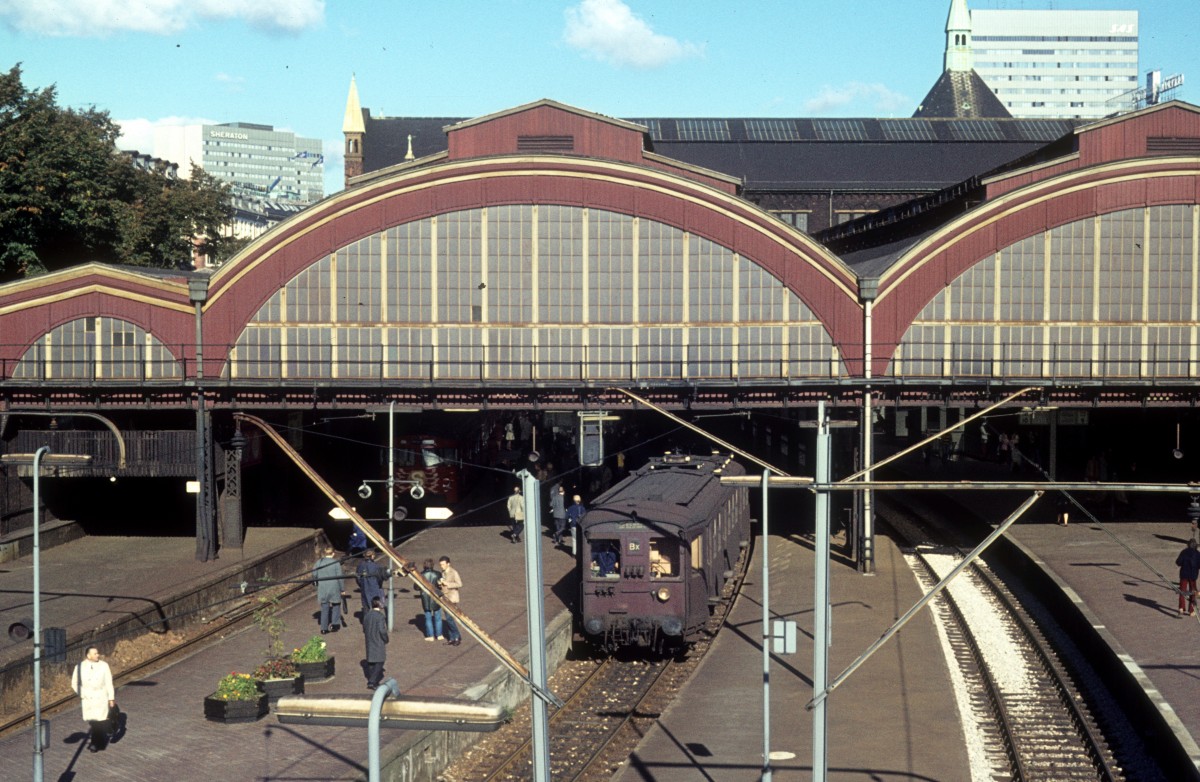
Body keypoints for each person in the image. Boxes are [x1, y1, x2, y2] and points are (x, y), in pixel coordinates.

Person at [72, 645, 115, 752]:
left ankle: (95, 743)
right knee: (93, 721)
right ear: (88, 655)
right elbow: (74, 683)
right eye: (95, 653)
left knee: (98, 721)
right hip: (88, 698)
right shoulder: (79, 667)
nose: (98, 655)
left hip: (101, 697)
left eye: (97, 653)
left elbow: (109, 682)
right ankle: (99, 741)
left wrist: (111, 698)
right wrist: (82, 694)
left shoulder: (104, 665)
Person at [313, 545, 344, 633]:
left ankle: (323, 628)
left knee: (324, 608)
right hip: (334, 588)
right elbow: (340, 577)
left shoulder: (319, 562)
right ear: (333, 553)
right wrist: (342, 589)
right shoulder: (336, 563)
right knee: (336, 606)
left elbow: (314, 574)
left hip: (323, 588)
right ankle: (334, 625)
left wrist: (317, 582)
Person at [363, 596, 389, 688]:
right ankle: (372, 681)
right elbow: (382, 630)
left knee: (371, 662)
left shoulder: (367, 615)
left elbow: (364, 628)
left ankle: (372, 679)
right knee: (380, 661)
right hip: (378, 640)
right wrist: (386, 639)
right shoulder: (380, 616)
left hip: (369, 640)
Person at [355, 549, 388, 619]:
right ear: (372, 556)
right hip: (374, 588)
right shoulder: (376, 566)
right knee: (375, 605)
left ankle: (366, 621)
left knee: (366, 605)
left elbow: (357, 577)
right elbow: (380, 578)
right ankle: (375, 620)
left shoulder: (360, 565)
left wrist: (361, 585)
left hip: (364, 588)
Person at [438, 555, 463, 646]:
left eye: (443, 564)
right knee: (448, 618)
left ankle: (457, 637)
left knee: (449, 618)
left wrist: (447, 584)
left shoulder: (453, 572)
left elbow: (459, 584)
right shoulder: (443, 572)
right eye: (441, 565)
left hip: (452, 598)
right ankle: (451, 638)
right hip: (445, 597)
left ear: (448, 564)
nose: (442, 566)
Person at [419, 558, 444, 641]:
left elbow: (416, 587)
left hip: (425, 598)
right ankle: (439, 635)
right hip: (435, 597)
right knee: (438, 617)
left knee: (428, 618)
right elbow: (440, 585)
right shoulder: (438, 574)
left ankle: (430, 636)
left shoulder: (421, 574)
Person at [1178, 539, 1200, 616]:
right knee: (1192, 592)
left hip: (1184, 574)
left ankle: (1181, 607)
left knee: (1182, 591)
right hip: (1193, 576)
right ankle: (1191, 610)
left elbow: (1178, 562)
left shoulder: (1184, 552)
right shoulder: (1198, 554)